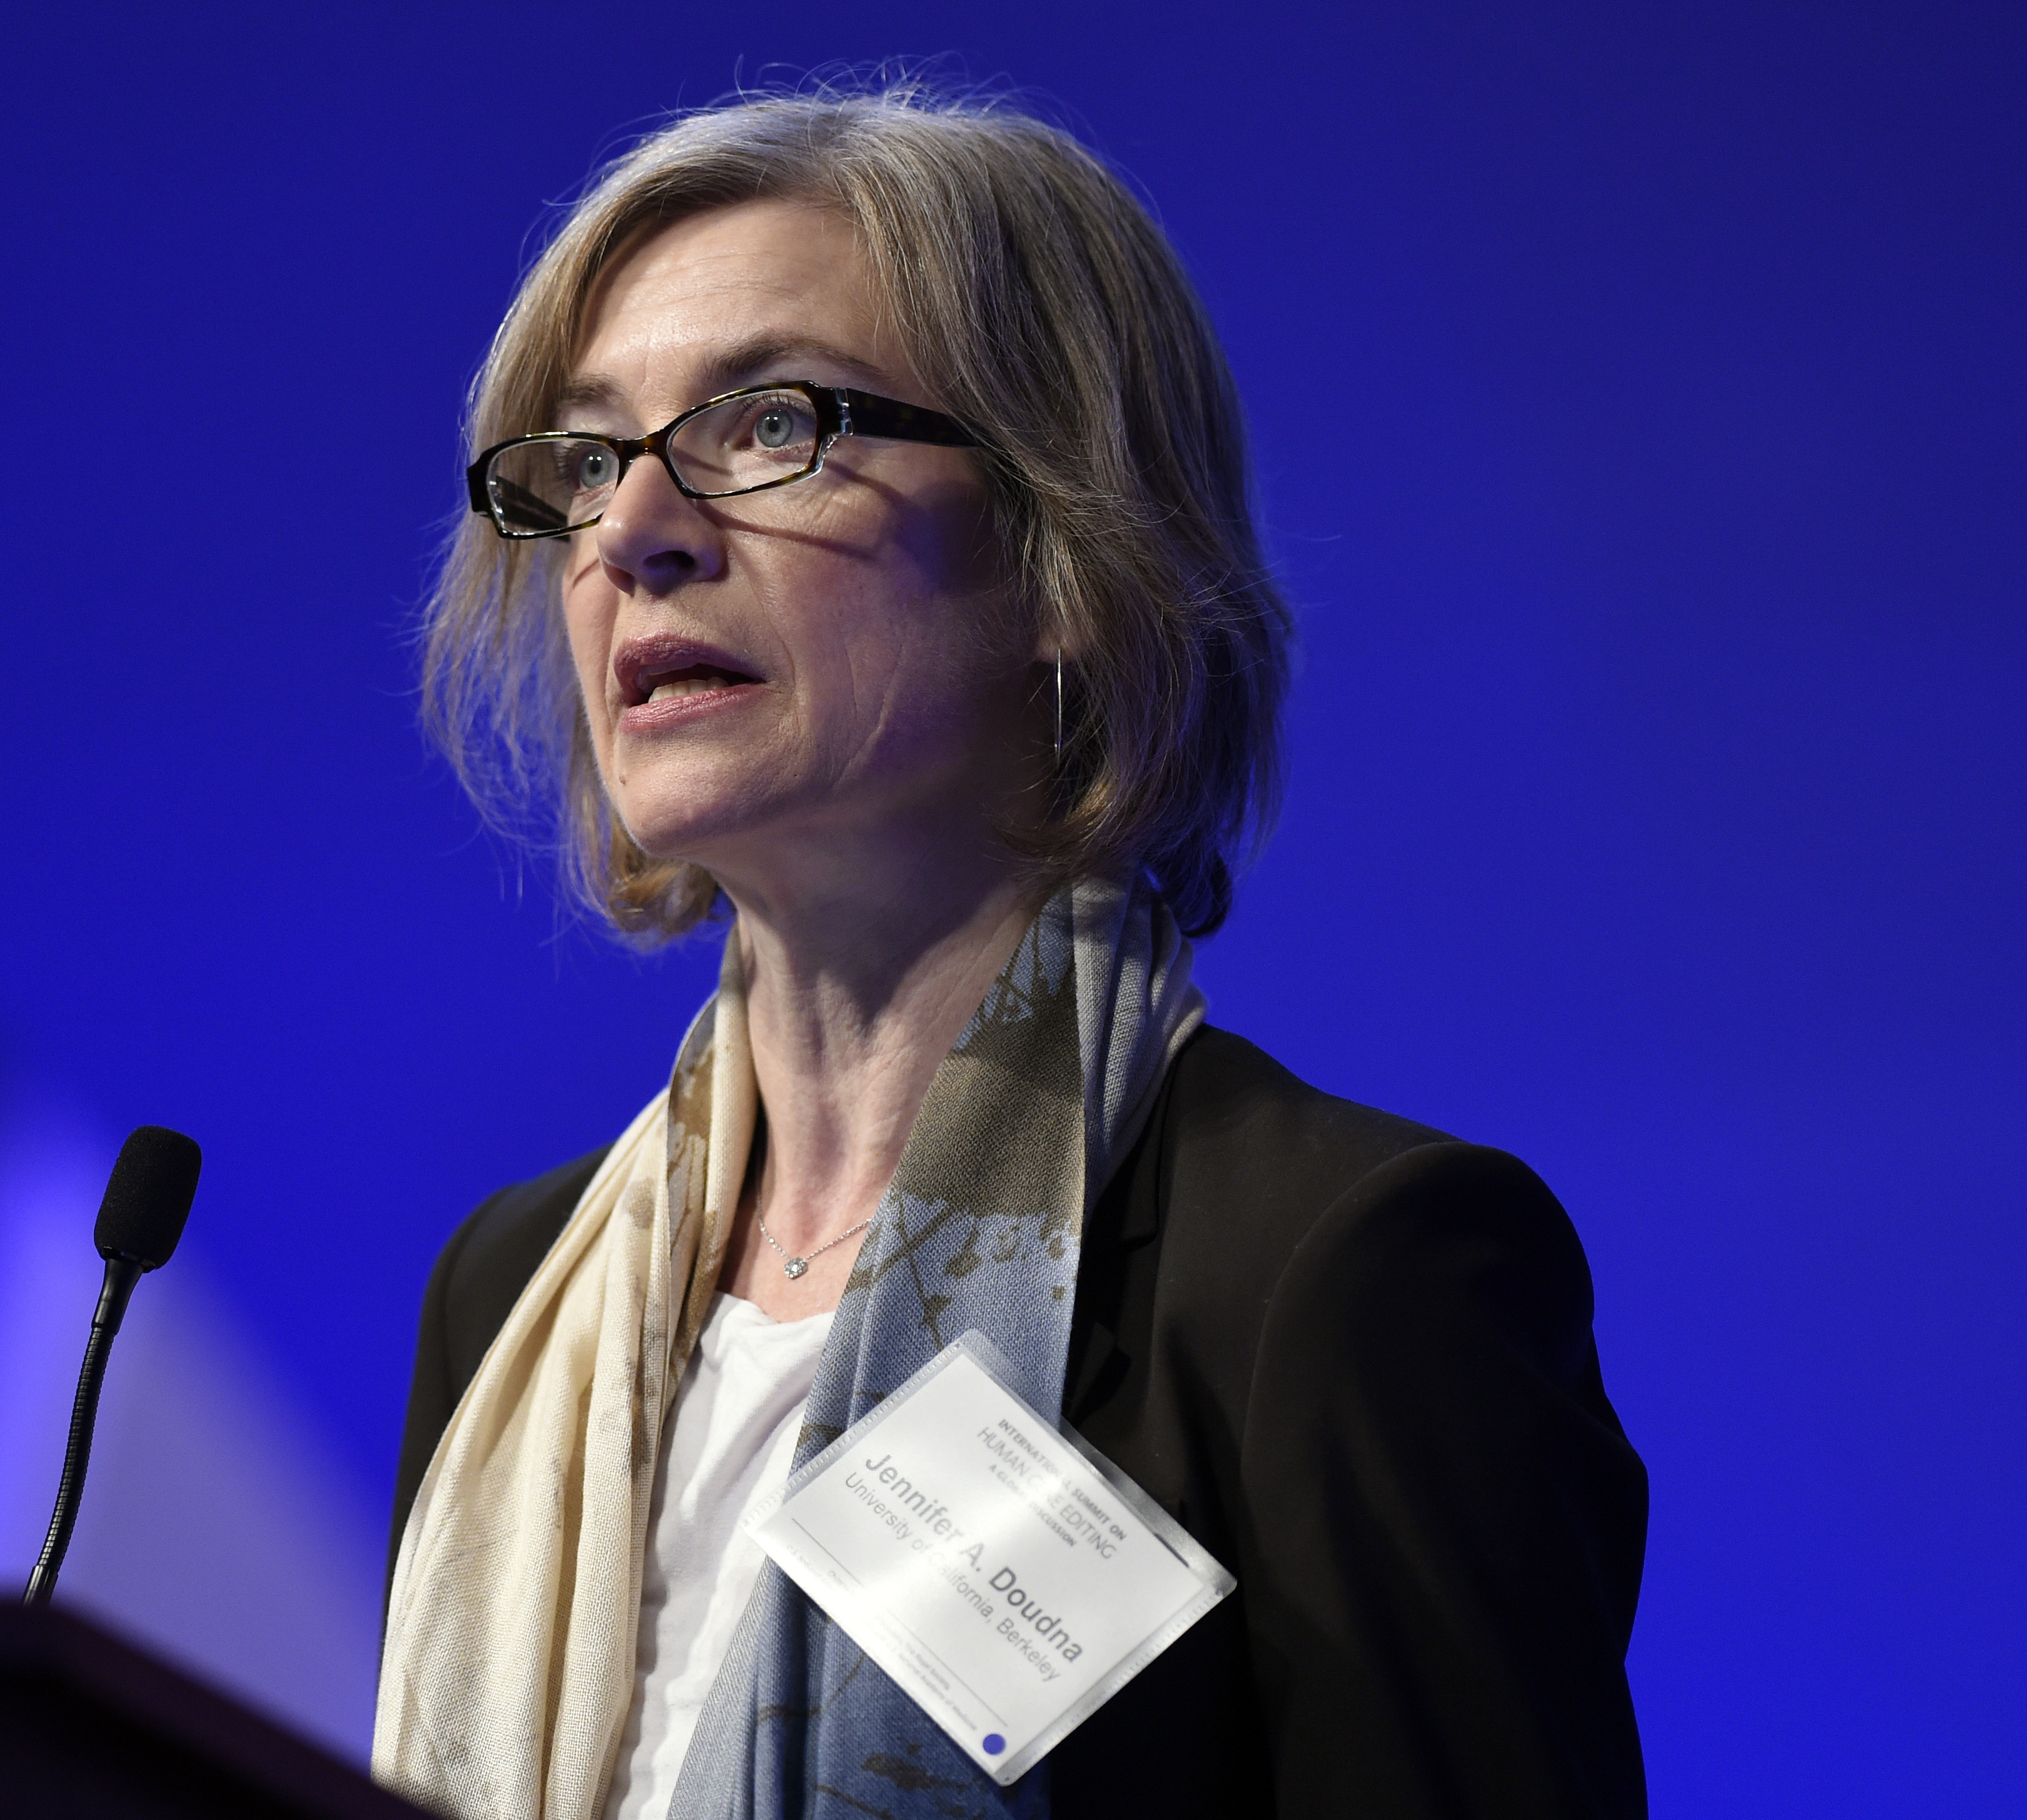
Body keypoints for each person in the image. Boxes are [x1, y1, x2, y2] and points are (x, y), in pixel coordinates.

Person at [374, 84, 1647, 1820]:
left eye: (769, 426)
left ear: (1070, 556)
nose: (634, 535)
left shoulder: (1336, 1279)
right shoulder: (513, 1298)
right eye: (588, 461)